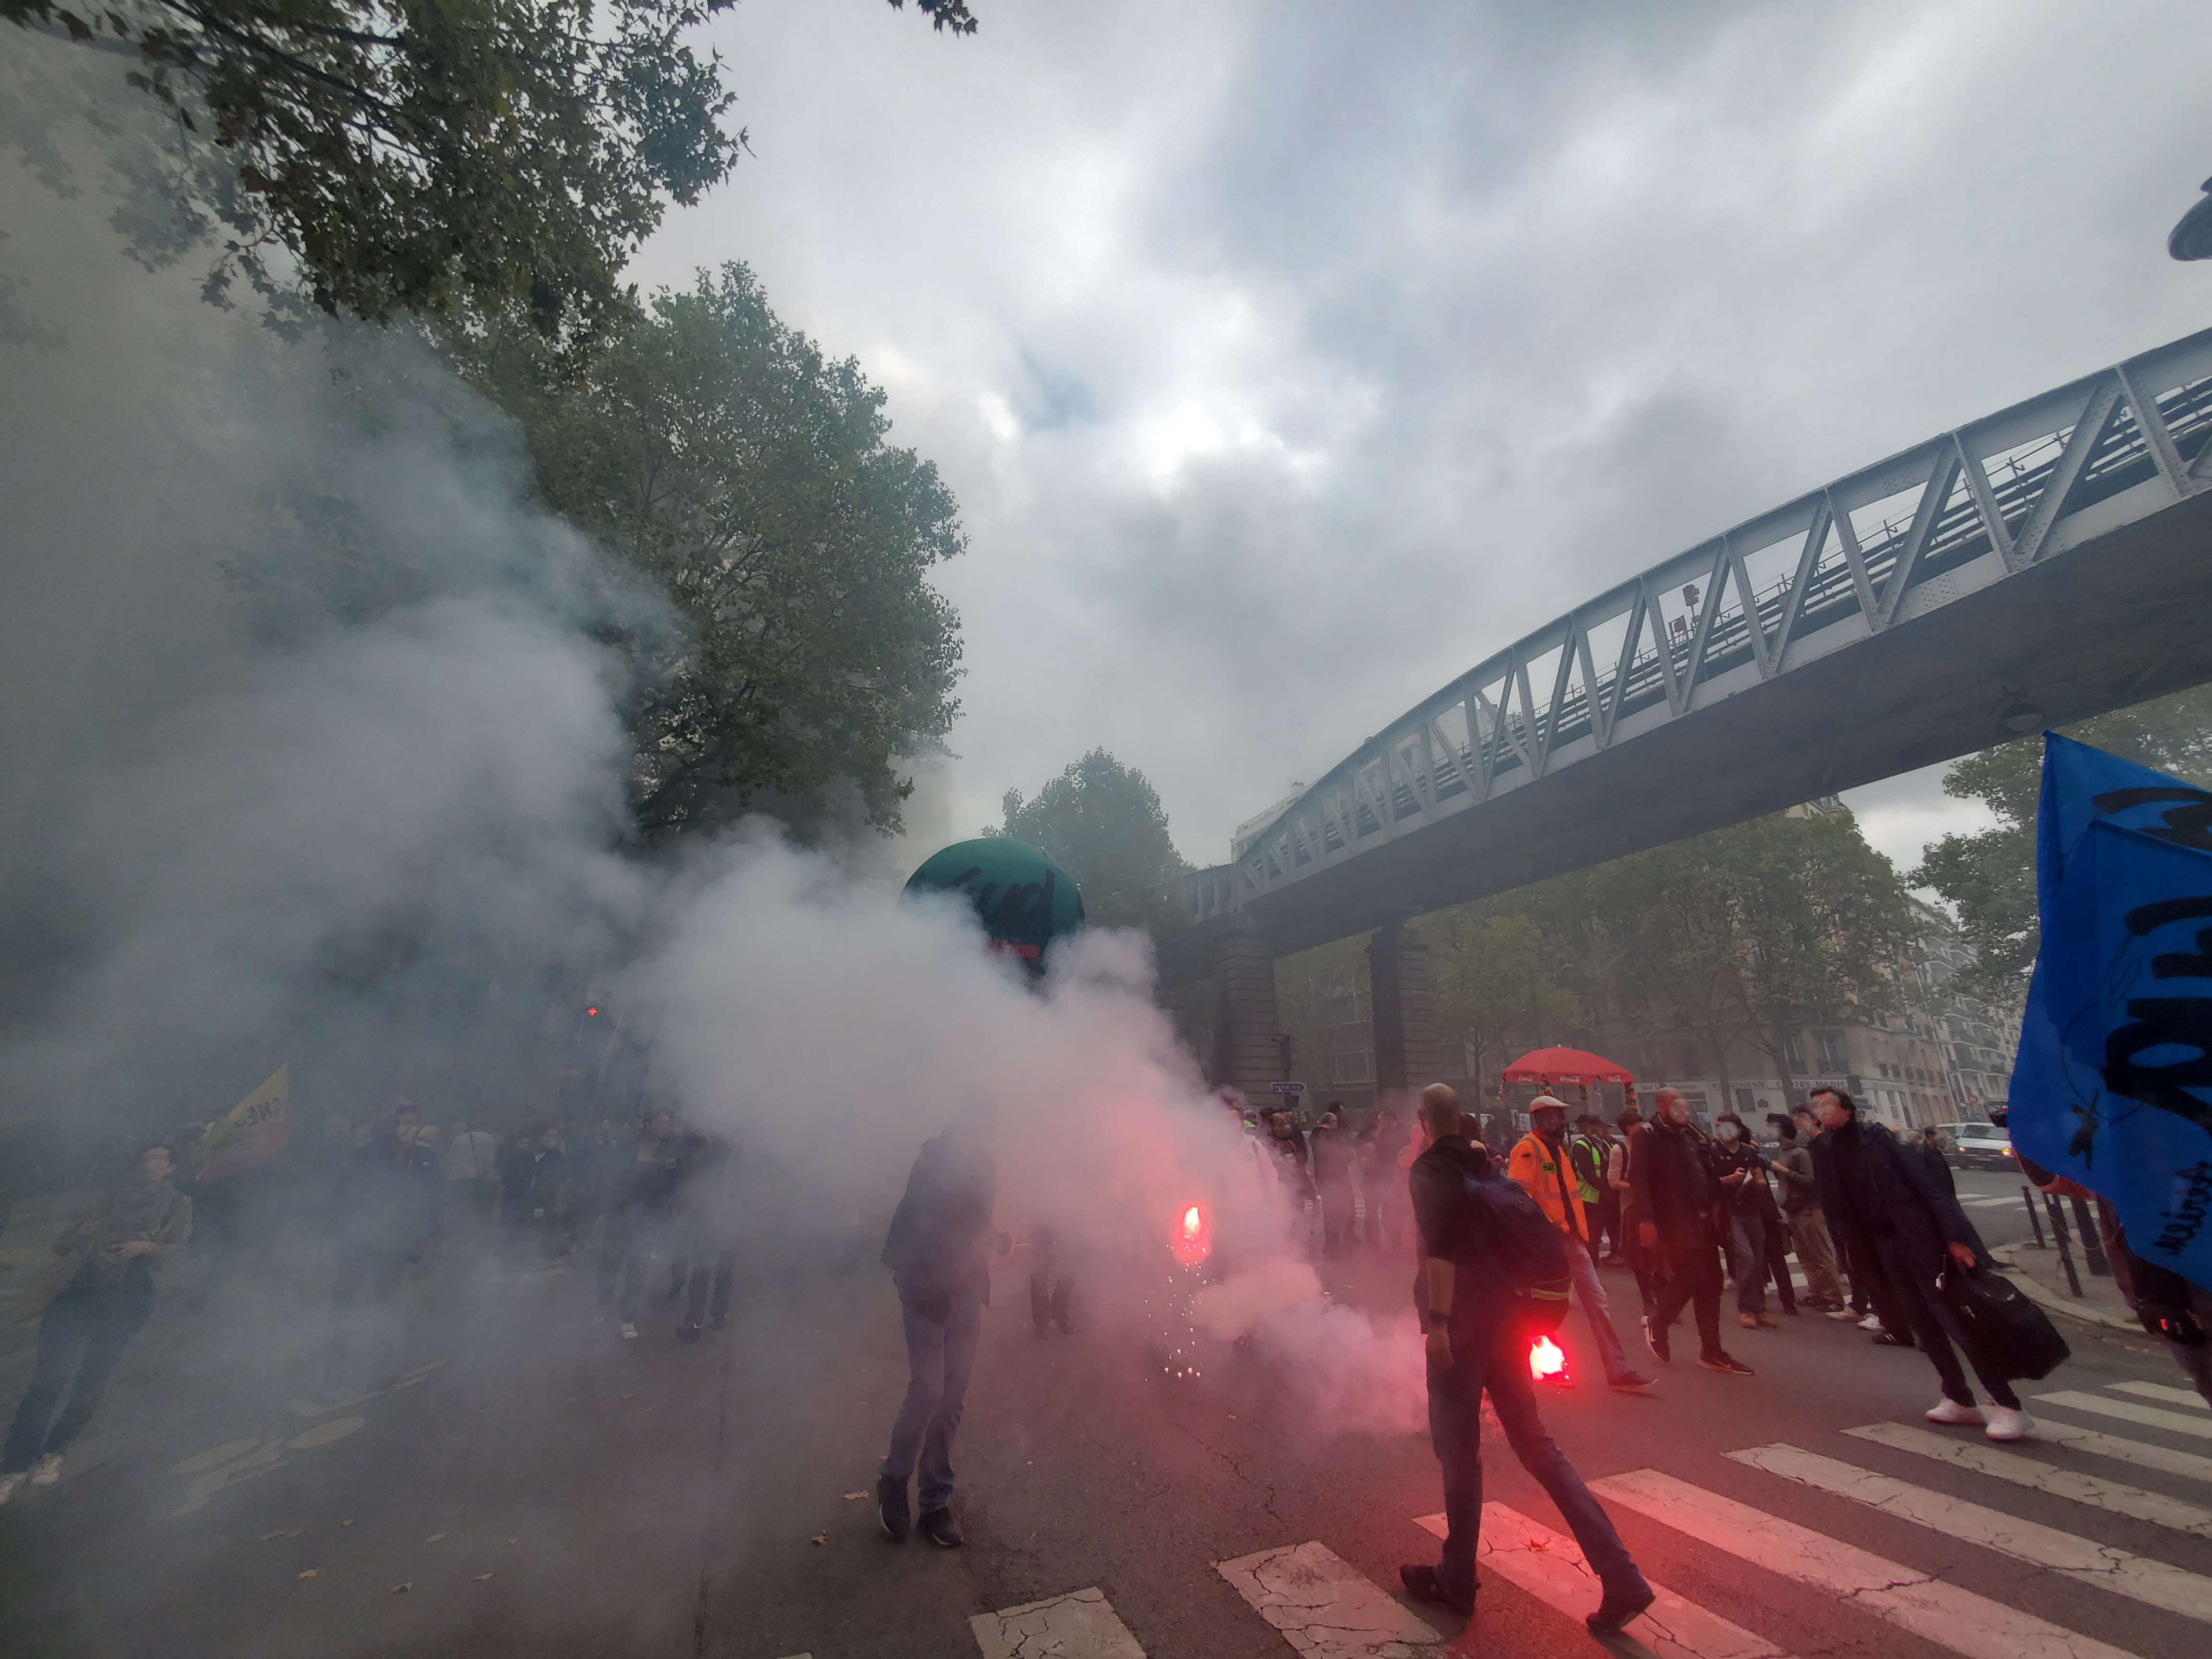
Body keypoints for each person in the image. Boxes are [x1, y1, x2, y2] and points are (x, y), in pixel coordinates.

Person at [1399, 1085, 1655, 1632]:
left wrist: (1439, 1327)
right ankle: (1622, 1576)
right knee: (1537, 1447)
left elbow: (1439, 1247)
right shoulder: (1485, 1165)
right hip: (1508, 1322)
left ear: (1423, 1121)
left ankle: (1455, 1579)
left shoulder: (1430, 1171)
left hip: (1464, 1328)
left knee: (1459, 1454)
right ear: (1463, 1118)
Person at [1807, 1088, 2030, 1440]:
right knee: (1921, 1324)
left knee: (1954, 1320)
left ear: (1848, 1109)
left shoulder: (1880, 1139)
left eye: (1827, 1104)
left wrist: (1956, 1238)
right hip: (1878, 1245)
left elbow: (1928, 1188)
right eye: (1816, 1106)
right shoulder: (1823, 1148)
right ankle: (1958, 1398)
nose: (1821, 1111)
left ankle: (2006, 1403)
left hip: (1918, 1237)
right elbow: (1834, 1204)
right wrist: (1847, 1249)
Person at [1, 1142, 193, 1505]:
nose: (152, 1163)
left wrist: (146, 1248)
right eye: (147, 1156)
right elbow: (63, 1244)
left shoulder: (177, 1205)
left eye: (161, 1158)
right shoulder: (110, 1197)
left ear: (170, 1168)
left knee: (92, 1376)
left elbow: (181, 1251)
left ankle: (54, 1451)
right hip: (77, 1293)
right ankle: (14, 1466)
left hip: (127, 1299)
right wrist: (85, 1234)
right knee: (48, 1379)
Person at [877, 1092, 1006, 1549]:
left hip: (967, 1290)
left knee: (951, 1399)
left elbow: (978, 1224)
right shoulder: (933, 1160)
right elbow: (919, 1223)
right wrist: (933, 1276)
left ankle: (935, 1502)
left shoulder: (985, 1162)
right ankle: (894, 1479)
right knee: (928, 1389)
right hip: (927, 1292)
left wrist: (996, 1240)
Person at [1507, 1097, 1651, 1392]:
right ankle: (1527, 1367)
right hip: (1545, 1244)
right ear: (1542, 1119)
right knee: (1539, 1307)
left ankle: (1617, 1370)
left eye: (1562, 1116)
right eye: (1557, 1116)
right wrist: (1547, 1229)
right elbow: (1518, 1199)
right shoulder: (1527, 1150)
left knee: (1596, 1302)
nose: (1562, 1122)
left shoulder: (1558, 1151)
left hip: (1571, 1240)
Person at [1629, 1089, 1752, 1374]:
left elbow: (1705, 1173)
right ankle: (1659, 1322)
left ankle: (1711, 1350)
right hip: (1674, 1220)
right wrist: (1646, 1220)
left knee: (1711, 1282)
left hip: (1703, 1219)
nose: (1683, 1113)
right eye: (1676, 1107)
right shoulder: (1648, 1136)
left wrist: (1719, 1202)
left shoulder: (1691, 1134)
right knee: (1690, 1275)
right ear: (1662, 1106)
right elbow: (1640, 1179)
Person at [330, 1104, 442, 1367]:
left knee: (387, 1298)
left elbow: (434, 1200)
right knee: (345, 1296)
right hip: (359, 1238)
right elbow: (342, 1194)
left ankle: (381, 1358)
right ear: (390, 1127)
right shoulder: (367, 1156)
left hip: (395, 1242)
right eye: (402, 1123)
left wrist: (432, 1238)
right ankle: (335, 1354)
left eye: (413, 1123)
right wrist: (343, 1229)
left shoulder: (426, 1158)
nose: (408, 1129)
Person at [597, 1109, 688, 1340]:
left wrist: (674, 1208)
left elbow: (677, 1182)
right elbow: (610, 1178)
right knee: (611, 1263)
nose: (665, 1126)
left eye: (669, 1122)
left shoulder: (671, 1152)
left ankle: (627, 1318)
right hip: (620, 1215)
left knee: (637, 1268)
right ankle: (603, 1304)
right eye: (661, 1121)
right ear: (647, 1124)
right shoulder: (627, 1148)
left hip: (649, 1218)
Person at [1708, 1112, 1795, 1329]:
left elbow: (1761, 1179)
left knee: (1758, 1260)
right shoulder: (1712, 1153)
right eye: (1719, 1127)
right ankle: (1746, 1309)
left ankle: (1760, 1309)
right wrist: (1731, 1180)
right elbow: (1706, 1185)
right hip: (1729, 1212)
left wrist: (1755, 1181)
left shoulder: (1749, 1152)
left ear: (1739, 1130)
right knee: (1745, 1259)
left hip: (1753, 1211)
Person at [1767, 1112, 1845, 1312]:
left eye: (1771, 1127)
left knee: (1819, 1253)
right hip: (1793, 1209)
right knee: (1804, 1254)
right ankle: (1816, 1293)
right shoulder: (1782, 1151)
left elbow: (1810, 1182)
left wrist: (1785, 1172)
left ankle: (1833, 1297)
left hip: (1808, 1209)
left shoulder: (1799, 1153)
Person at [1574, 1115, 1622, 1263]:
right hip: (1591, 1198)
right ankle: (1593, 1262)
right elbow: (1587, 1171)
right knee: (1593, 1235)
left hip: (1610, 1196)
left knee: (1615, 1229)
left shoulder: (1608, 1145)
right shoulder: (1582, 1145)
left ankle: (1616, 1254)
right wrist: (1604, 1190)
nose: (1605, 1130)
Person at [1311, 1107, 1357, 1256]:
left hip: (1323, 1179)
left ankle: (1331, 1244)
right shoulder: (1335, 1135)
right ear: (1334, 1122)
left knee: (1329, 1212)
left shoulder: (1315, 1134)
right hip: (1338, 1179)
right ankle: (1334, 1247)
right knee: (1339, 1212)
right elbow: (1346, 1156)